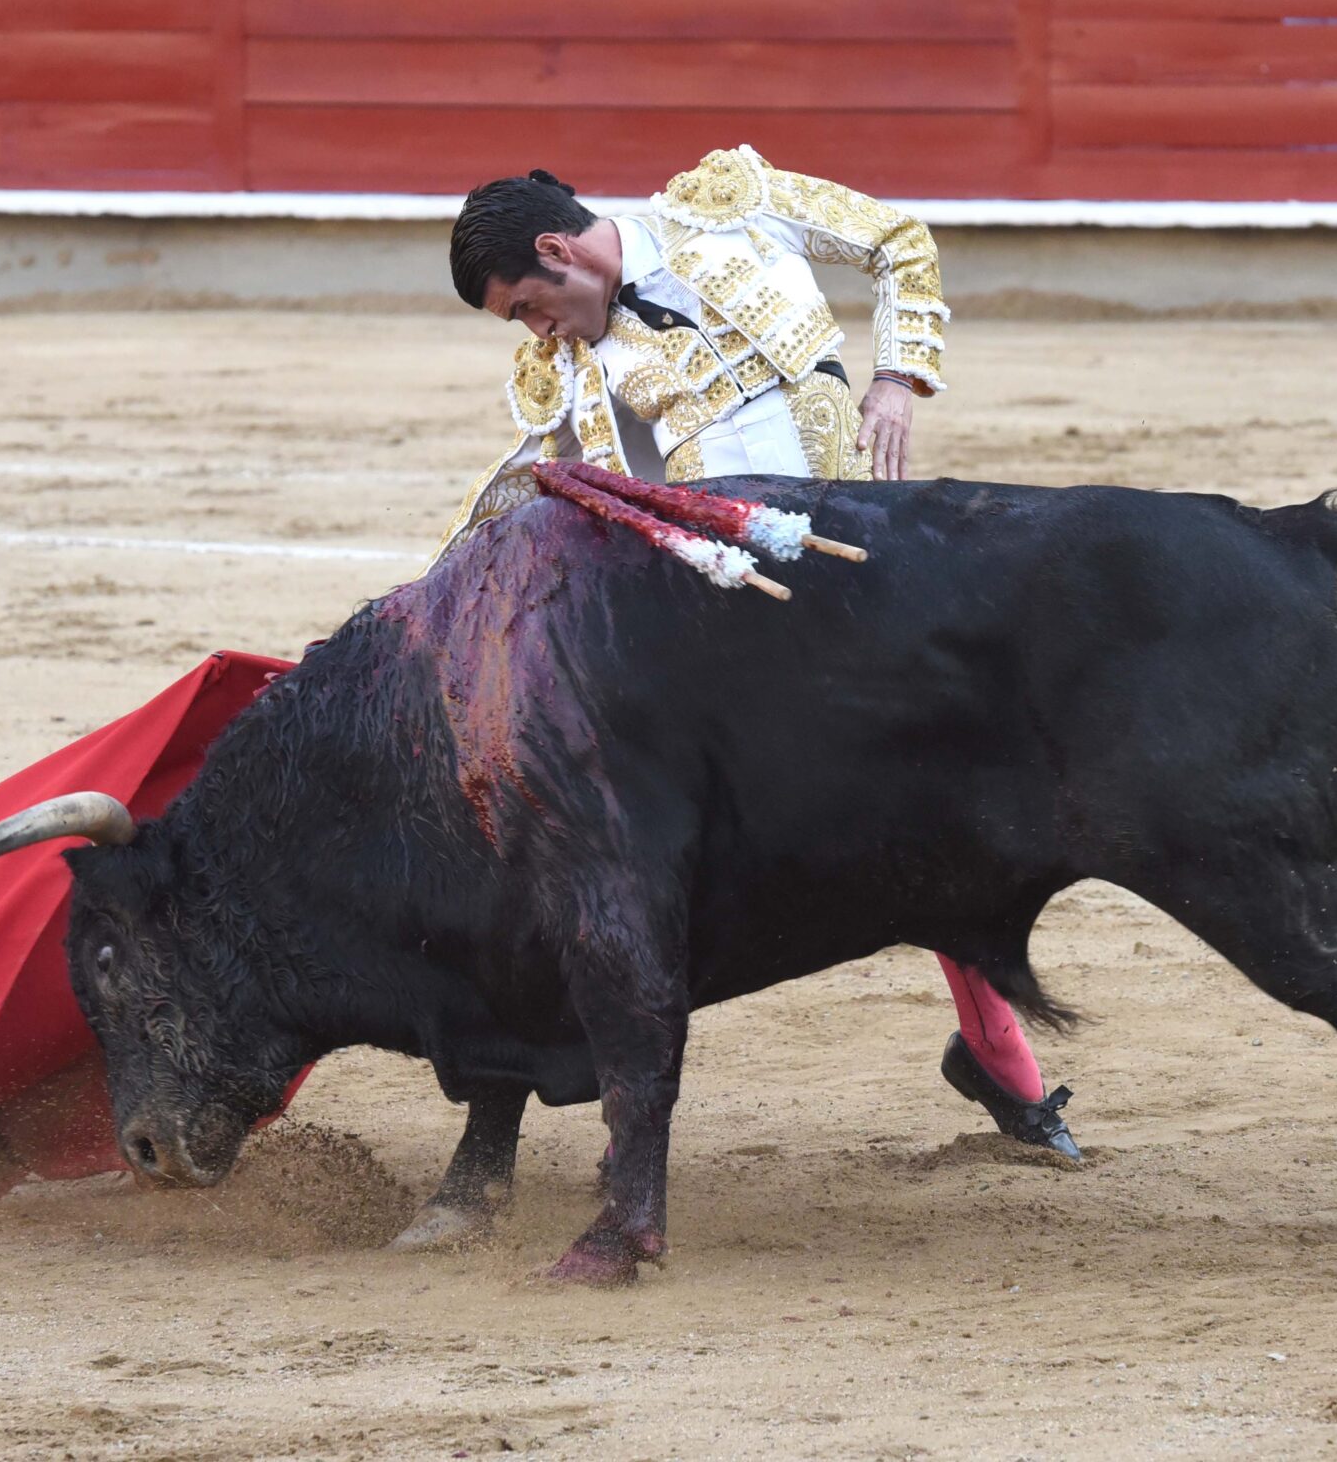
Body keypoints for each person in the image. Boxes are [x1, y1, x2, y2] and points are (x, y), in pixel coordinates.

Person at [434, 145, 1079, 1158]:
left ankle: (996, 1057)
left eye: (524, 305)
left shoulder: (731, 206)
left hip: (857, 556)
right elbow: (537, 501)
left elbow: (895, 240)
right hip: (728, 623)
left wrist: (897, 382)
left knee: (948, 781)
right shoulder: (559, 375)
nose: (532, 330)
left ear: (559, 251)